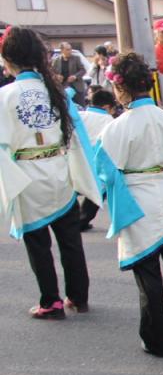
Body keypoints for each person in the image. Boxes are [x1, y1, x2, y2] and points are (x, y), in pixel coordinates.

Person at [92, 52, 163, 356]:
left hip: (139, 203)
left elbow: (104, 172)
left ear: (121, 87)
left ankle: (158, 341)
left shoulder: (115, 128)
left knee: (149, 278)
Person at [0, 26, 100, 319]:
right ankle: (78, 296)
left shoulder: (6, 95)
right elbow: (75, 136)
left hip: (27, 174)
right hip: (59, 171)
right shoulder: (55, 90)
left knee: (38, 244)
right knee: (70, 239)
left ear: (8, 58)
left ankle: (51, 301)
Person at [76, 88, 118, 232]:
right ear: (107, 107)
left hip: (76, 161)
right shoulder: (110, 121)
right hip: (98, 165)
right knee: (98, 193)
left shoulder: (79, 115)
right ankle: (83, 219)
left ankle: (73, 219)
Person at [51, 41, 87, 106]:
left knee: (81, 107)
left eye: (70, 49)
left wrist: (75, 76)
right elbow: (51, 72)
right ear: (62, 50)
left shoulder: (76, 58)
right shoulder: (56, 60)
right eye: (67, 50)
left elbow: (83, 70)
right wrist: (57, 76)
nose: (70, 51)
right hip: (63, 88)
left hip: (76, 88)